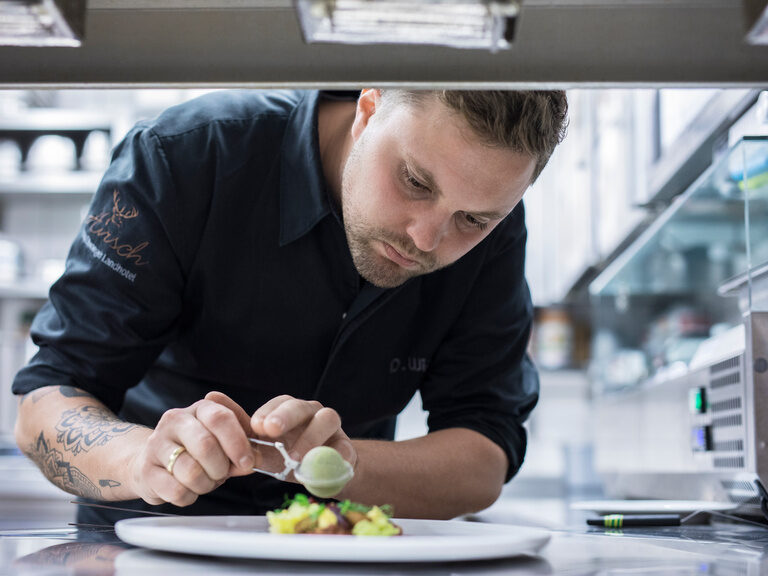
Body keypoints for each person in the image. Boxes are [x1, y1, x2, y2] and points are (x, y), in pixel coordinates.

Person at [12, 88, 568, 525]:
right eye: (414, 181)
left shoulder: (494, 230)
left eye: (472, 220)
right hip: (144, 547)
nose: (426, 238)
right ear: (368, 110)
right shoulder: (186, 154)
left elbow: (484, 452)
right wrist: (143, 460)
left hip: (343, 550)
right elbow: (45, 402)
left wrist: (341, 463)